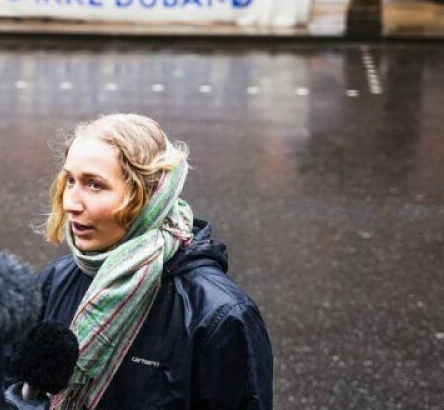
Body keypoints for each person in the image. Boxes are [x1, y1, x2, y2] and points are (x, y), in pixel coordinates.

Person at [30, 114, 273, 409]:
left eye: (94, 185)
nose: (70, 203)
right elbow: (9, 388)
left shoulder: (219, 315)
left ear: (148, 196)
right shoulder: (54, 282)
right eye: (70, 180)